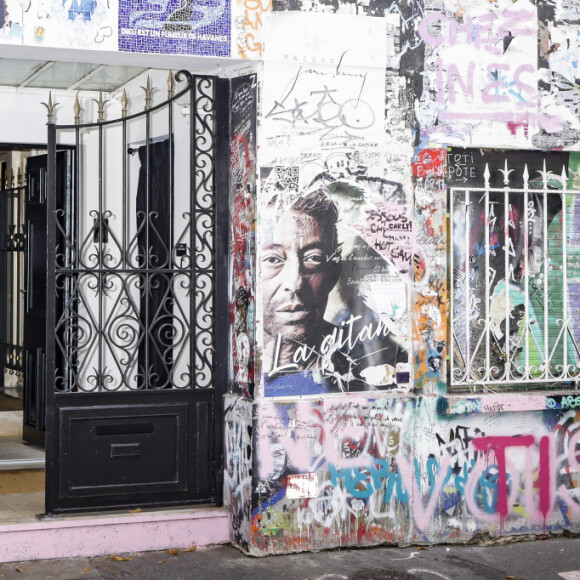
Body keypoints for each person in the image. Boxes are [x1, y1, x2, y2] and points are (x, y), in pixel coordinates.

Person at [261, 188, 407, 392]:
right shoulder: (247, 361)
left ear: (334, 271)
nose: (294, 283)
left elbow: (407, 380)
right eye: (272, 260)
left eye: (313, 258)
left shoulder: (372, 356)